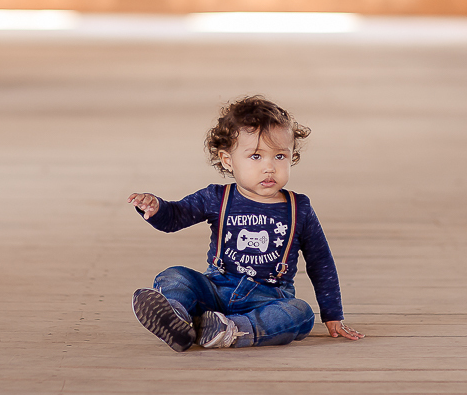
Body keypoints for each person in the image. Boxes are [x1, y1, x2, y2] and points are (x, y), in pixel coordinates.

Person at [127, 96, 364, 351]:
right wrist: (157, 208)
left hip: (268, 298)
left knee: (301, 314)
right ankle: (177, 319)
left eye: (280, 156)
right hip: (216, 289)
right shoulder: (217, 197)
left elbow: (321, 262)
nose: (269, 167)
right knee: (174, 276)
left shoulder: (300, 208)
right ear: (228, 160)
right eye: (255, 156)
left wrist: (332, 314)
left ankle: (231, 330)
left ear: (292, 156)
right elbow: (176, 217)